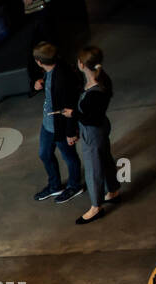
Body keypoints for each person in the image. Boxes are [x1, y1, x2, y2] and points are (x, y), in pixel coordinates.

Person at [63, 46, 120, 225]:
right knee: (105, 158)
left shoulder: (93, 93)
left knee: (93, 167)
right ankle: (113, 190)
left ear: (82, 64)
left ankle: (96, 207)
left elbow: (90, 118)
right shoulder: (102, 79)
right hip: (102, 127)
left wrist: (73, 114)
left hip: (92, 131)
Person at [32, 42, 84, 206]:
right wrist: (40, 83)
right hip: (48, 123)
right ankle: (54, 186)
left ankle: (74, 186)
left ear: (40, 62)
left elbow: (71, 106)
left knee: (69, 157)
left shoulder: (63, 78)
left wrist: (71, 132)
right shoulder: (51, 71)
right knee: (44, 153)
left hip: (61, 127)